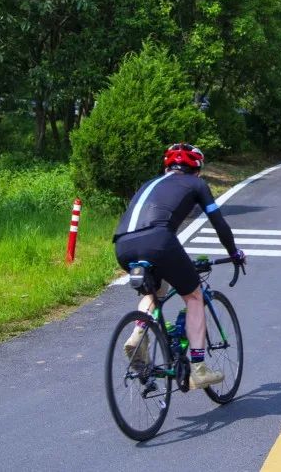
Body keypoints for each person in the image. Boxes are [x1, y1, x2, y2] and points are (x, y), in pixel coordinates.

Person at [112, 143, 245, 390]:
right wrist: (234, 253)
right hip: (159, 241)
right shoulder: (196, 184)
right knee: (194, 296)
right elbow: (219, 224)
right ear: (197, 169)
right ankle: (199, 369)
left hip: (122, 244)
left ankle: (138, 335)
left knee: (154, 291)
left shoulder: (148, 184)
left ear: (167, 167)